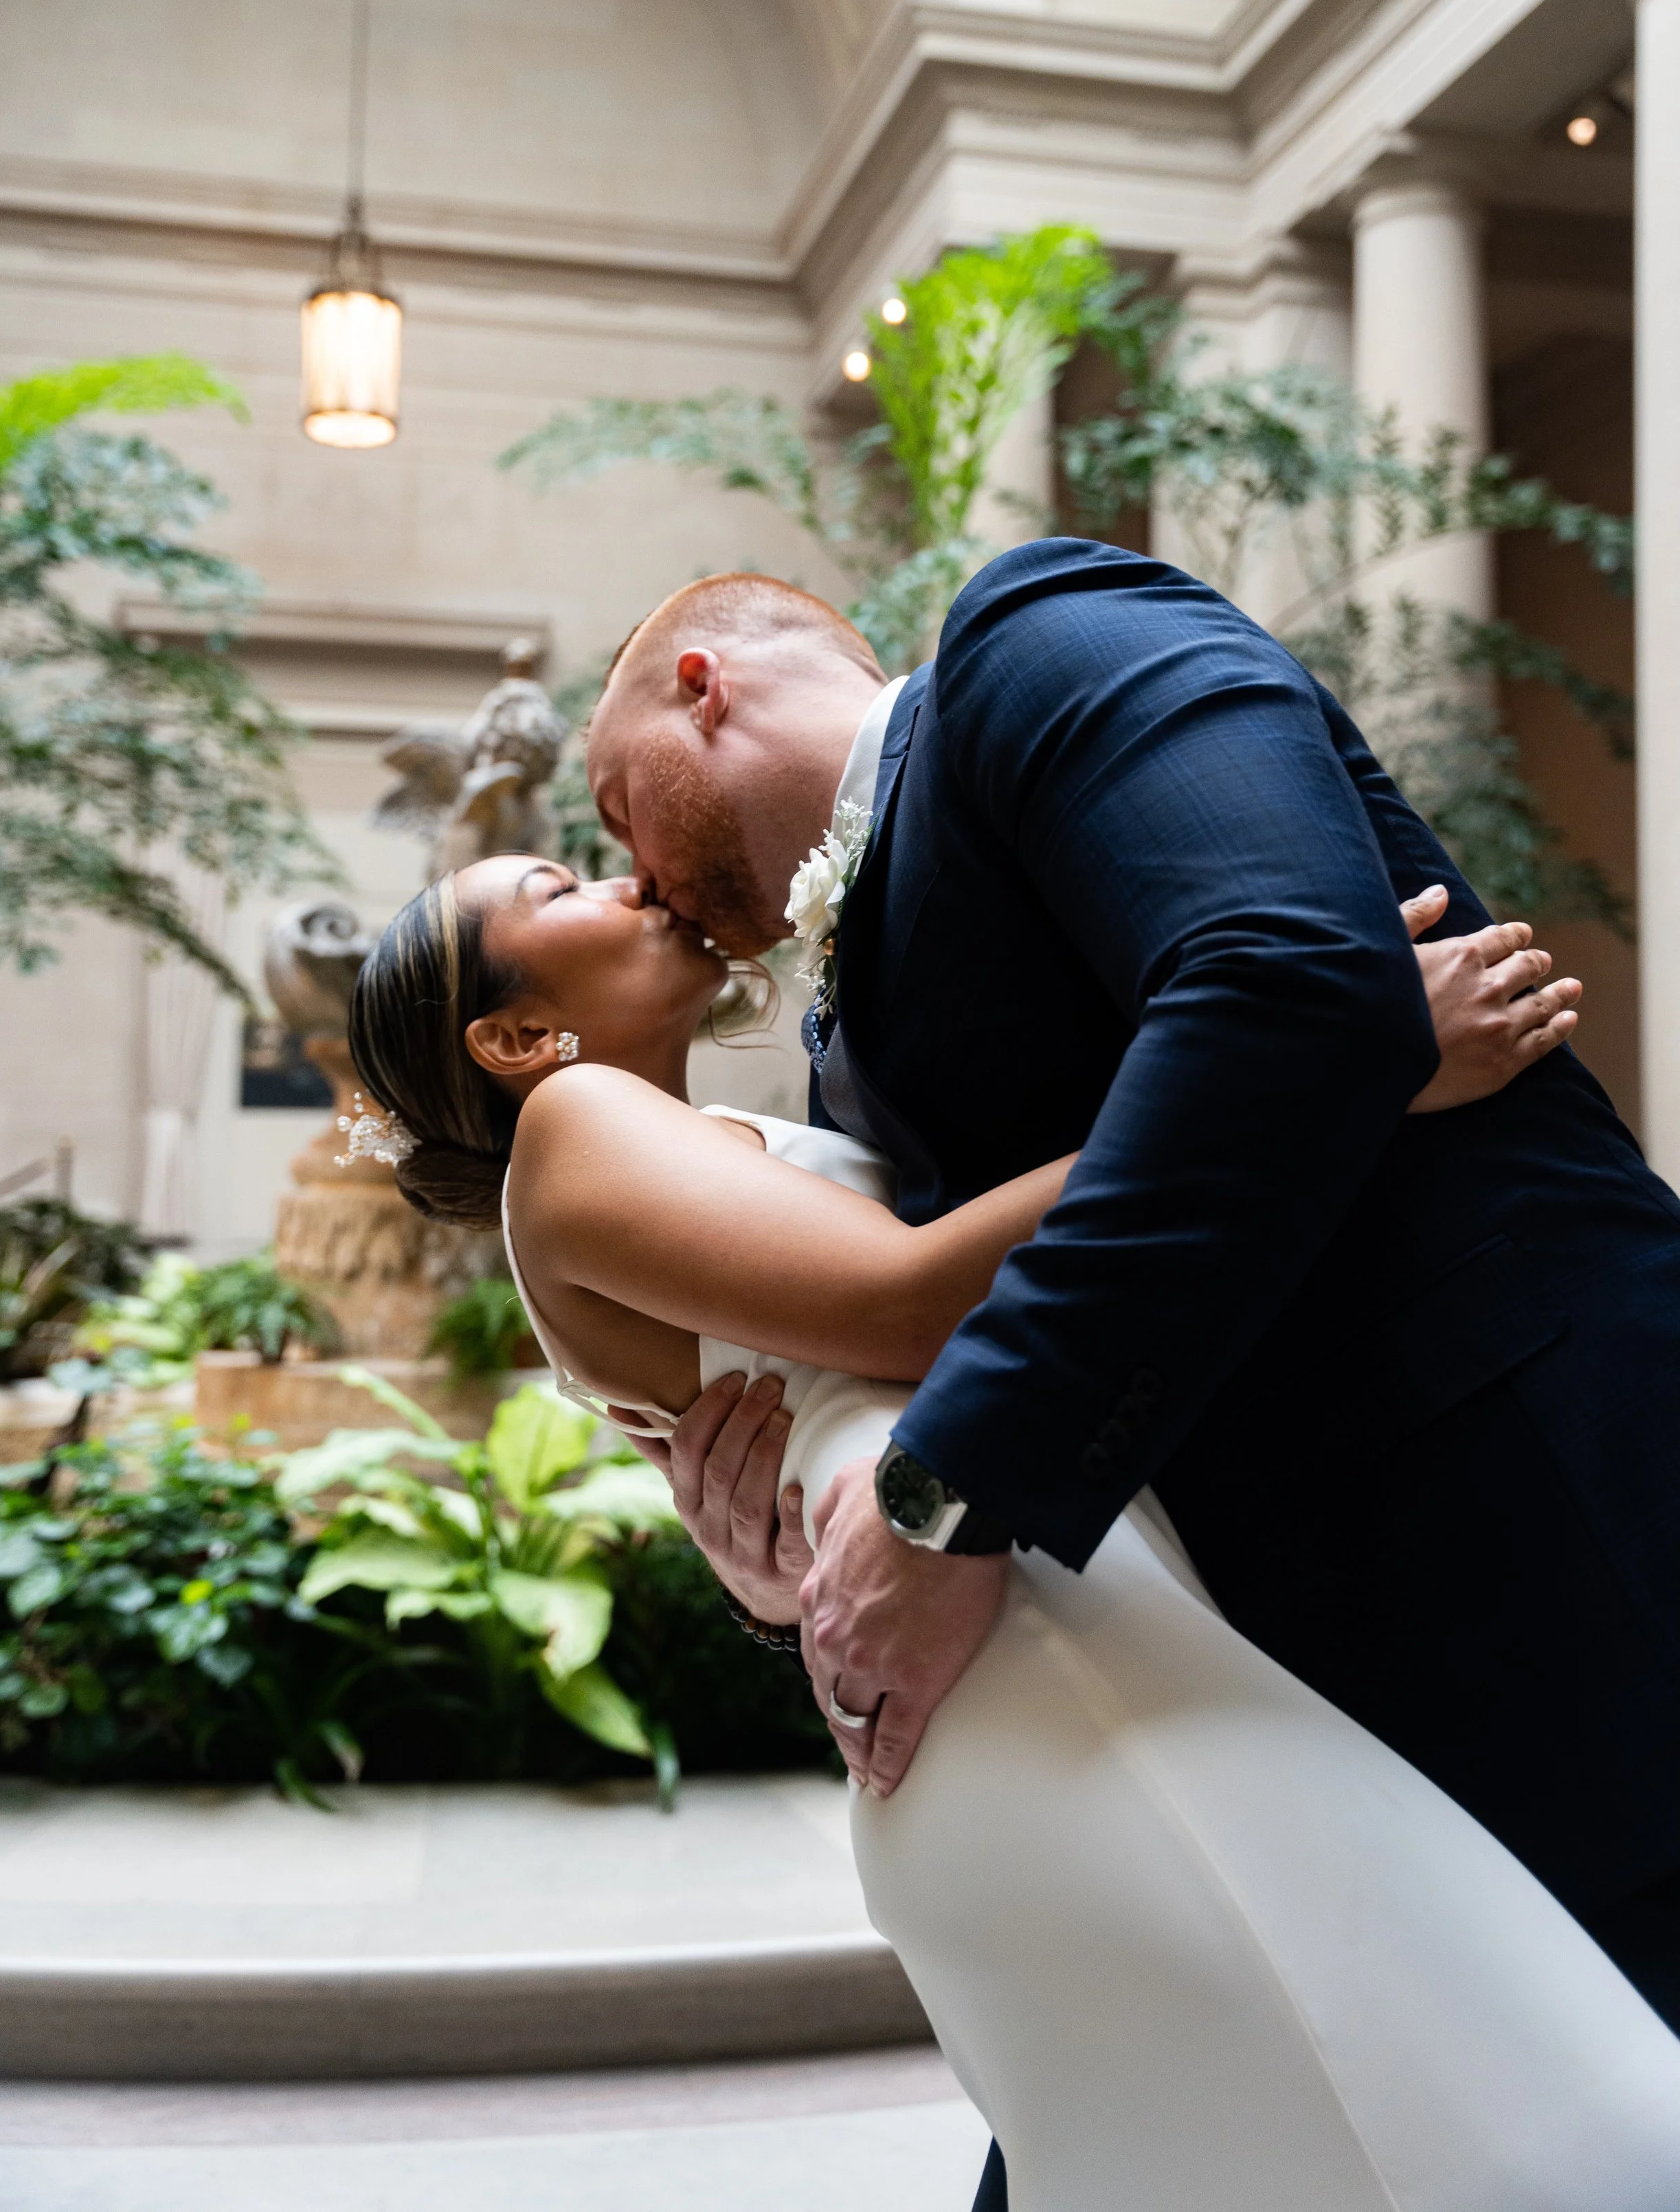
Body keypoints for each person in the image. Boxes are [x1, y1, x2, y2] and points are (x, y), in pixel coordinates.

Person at [344, 848, 1680, 2209]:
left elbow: (805, 1442)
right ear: (517, 1036)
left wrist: (765, 1588)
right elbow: (914, 1305)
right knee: (1463, 2095)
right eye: (560, 886)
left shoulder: (651, 1151)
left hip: (1036, 1629)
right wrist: (1336, 1063)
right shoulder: (572, 1125)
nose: (629, 880)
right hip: (1028, 1663)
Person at [580, 548, 1680, 2068]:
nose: (634, 877)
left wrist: (945, 1497)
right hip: (1279, 1665)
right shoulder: (836, 1041)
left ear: (701, 688)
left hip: (1545, 1515)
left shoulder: (1040, 637)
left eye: (614, 807)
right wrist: (790, 1555)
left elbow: (1286, 978)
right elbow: (968, 1306)